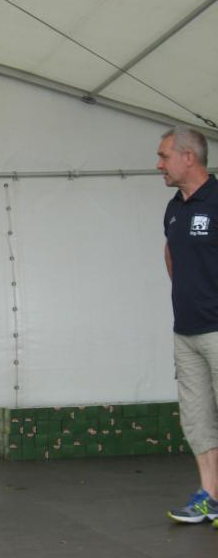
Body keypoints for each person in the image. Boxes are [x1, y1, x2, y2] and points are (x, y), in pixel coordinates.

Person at [157, 126, 218, 526]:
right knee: (196, 418)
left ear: (189, 157)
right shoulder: (174, 208)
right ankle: (210, 496)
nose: (158, 164)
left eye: (164, 156)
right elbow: (171, 255)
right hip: (186, 331)